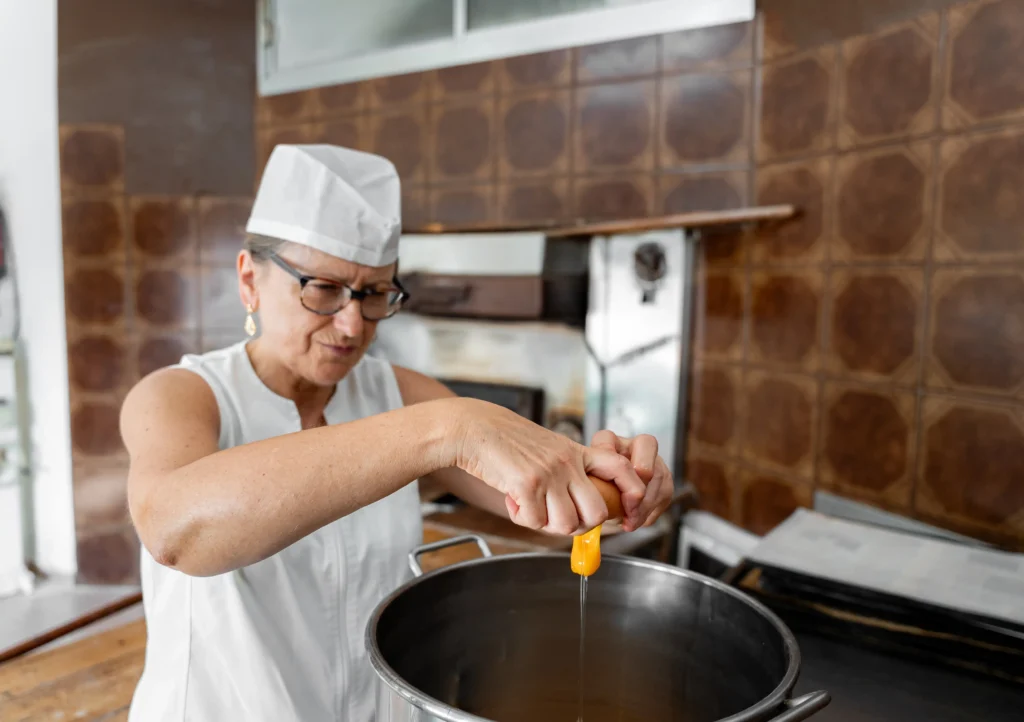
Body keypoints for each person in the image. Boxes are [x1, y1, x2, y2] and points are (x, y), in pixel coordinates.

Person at [122, 144, 674, 722]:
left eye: (374, 294)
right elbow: (175, 533)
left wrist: (617, 482)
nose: (352, 325)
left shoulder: (394, 392)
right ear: (249, 280)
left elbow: (546, 504)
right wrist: (447, 426)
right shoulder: (182, 396)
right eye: (323, 288)